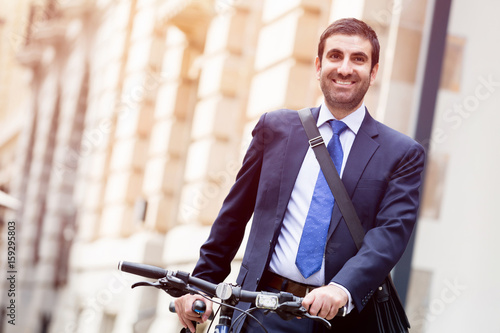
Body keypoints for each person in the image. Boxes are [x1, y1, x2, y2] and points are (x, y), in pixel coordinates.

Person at [174, 17, 425, 332]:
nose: (345, 68)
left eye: (358, 59)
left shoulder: (401, 153)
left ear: (373, 72)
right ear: (319, 65)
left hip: (339, 321)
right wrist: (202, 284)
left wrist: (342, 288)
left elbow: (389, 235)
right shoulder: (275, 128)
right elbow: (233, 215)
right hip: (258, 312)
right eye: (335, 56)